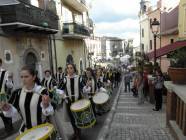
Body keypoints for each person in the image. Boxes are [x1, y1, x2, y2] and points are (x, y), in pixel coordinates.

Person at [0, 65, 54, 133]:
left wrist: (46, 105)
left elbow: (50, 112)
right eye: (21, 77)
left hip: (43, 130)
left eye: (26, 76)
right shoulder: (18, 93)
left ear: (34, 77)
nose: (23, 79)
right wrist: (7, 108)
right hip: (26, 131)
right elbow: (13, 112)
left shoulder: (43, 91)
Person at [59, 63, 84, 140]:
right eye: (68, 68)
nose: (69, 70)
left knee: (78, 118)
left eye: (71, 68)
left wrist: (87, 87)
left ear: (74, 69)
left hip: (78, 102)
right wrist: (63, 95)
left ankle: (79, 133)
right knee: (72, 119)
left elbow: (83, 88)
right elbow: (60, 89)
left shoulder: (79, 78)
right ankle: (75, 132)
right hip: (69, 102)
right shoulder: (65, 79)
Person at [0, 58, 13, 138]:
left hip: (3, 95)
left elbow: (10, 85)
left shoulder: (5, 72)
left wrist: (10, 79)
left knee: (4, 112)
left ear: (0, 63)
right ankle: (9, 127)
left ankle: (8, 128)